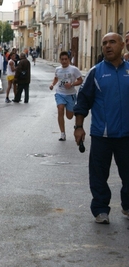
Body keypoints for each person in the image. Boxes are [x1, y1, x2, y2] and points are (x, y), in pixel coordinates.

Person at [73, 32, 129, 225]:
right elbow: (83, 102)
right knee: (98, 176)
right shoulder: (95, 72)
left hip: (126, 136)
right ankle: (100, 209)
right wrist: (79, 127)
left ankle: (127, 205)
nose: (107, 46)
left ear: (122, 45)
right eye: (104, 43)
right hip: (101, 135)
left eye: (112, 42)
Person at [49, 51, 83, 141]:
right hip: (60, 93)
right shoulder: (58, 69)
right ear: (60, 60)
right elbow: (56, 78)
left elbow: (80, 80)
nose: (64, 61)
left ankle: (76, 123)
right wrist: (52, 84)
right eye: (62, 59)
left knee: (69, 116)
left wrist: (71, 84)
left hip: (70, 94)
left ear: (69, 60)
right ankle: (62, 134)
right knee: (60, 109)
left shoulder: (73, 69)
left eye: (66, 59)